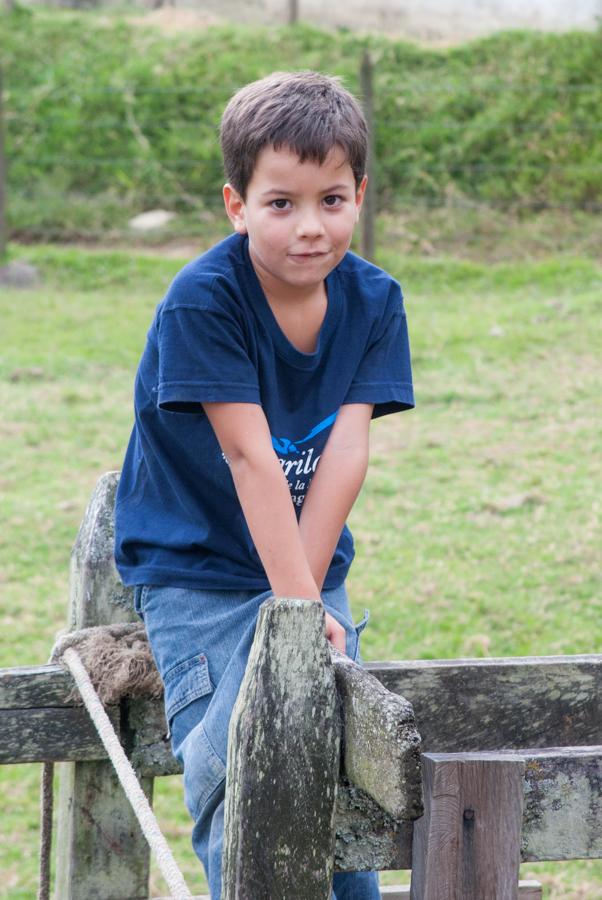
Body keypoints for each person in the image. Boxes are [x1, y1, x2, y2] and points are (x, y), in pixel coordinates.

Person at [114, 70, 414, 899]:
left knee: (340, 751)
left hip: (311, 562)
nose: (310, 227)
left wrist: (307, 600)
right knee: (232, 761)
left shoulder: (375, 301)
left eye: (331, 200)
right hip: (199, 570)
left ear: (360, 194)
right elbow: (250, 458)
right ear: (237, 204)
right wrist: (292, 610)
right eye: (281, 203)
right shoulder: (203, 302)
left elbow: (347, 452)